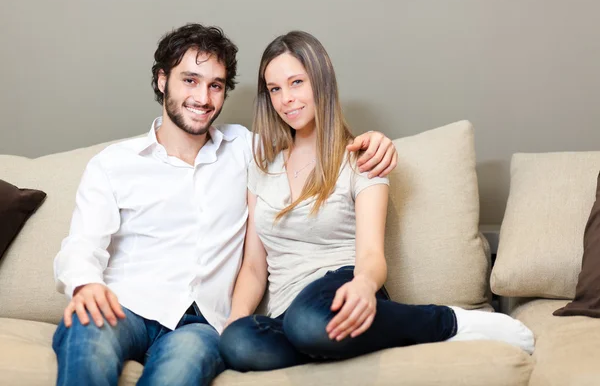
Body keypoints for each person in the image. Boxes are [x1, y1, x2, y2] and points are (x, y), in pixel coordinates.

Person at [51, 24, 398, 386]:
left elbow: (312, 139)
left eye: (215, 85)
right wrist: (84, 284)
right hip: (123, 307)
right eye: (189, 80)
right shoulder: (114, 163)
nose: (203, 97)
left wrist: (376, 141)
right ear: (161, 80)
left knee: (175, 377)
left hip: (201, 326)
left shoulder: (250, 150)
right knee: (86, 342)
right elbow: (82, 245)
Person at [218, 30, 535, 372]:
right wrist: (235, 320)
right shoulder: (262, 168)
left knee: (308, 321)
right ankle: (326, 339)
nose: (286, 99)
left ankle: (445, 322)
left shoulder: (360, 158)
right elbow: (253, 266)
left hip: (342, 287)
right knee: (238, 344)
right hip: (286, 315)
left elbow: (371, 254)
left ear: (321, 83)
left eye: (297, 82)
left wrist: (364, 285)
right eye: (275, 89)